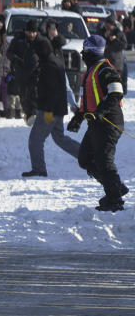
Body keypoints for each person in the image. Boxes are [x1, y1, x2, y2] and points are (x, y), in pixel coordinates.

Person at [67, 35, 128, 212]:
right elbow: (86, 102)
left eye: (85, 51)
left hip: (109, 123)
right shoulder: (89, 72)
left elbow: (116, 92)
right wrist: (77, 118)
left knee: (104, 161)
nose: (82, 54)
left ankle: (115, 199)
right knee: (85, 158)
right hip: (96, 124)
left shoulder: (104, 69)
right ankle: (115, 187)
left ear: (93, 53)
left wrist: (100, 111)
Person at [22, 35, 80, 178]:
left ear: (41, 51)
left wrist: (47, 112)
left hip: (49, 111)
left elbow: (53, 91)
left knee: (35, 139)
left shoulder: (49, 66)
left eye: (36, 51)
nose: (34, 54)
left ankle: (39, 169)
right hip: (57, 109)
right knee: (59, 138)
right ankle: (85, 154)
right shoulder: (53, 61)